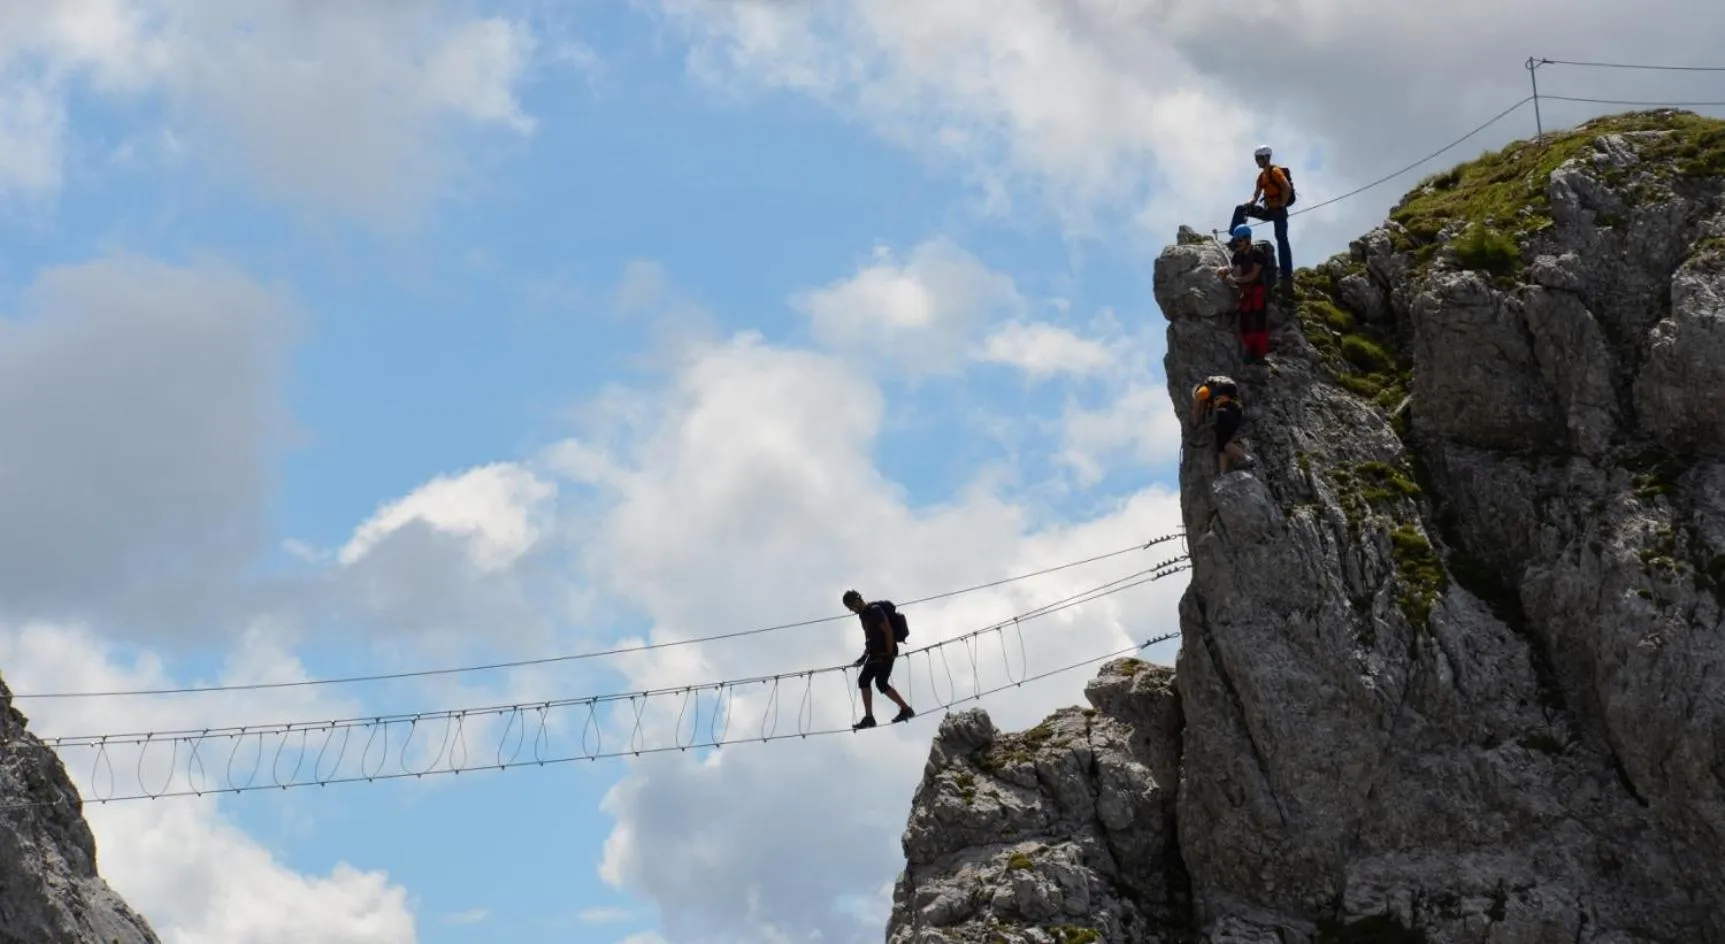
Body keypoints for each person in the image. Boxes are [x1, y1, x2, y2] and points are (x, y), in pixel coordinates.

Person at [842, 590, 915, 729]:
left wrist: (888, 652)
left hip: (887, 651)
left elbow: (888, 631)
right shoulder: (863, 616)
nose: (852, 610)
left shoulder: (875, 610)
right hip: (875, 653)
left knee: (881, 683)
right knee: (863, 680)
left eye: (851, 606)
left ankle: (906, 710)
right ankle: (869, 718)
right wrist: (864, 656)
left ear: (857, 601)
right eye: (850, 608)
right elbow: (869, 638)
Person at [1228, 145, 1293, 290]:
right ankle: (1235, 238)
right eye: (1256, 159)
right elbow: (1256, 195)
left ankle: (1286, 274)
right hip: (1269, 210)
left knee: (1282, 240)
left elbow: (1286, 188)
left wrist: (1282, 205)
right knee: (1241, 209)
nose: (1257, 161)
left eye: (1259, 158)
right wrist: (1250, 203)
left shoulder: (1275, 171)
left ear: (1266, 158)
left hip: (1278, 210)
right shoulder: (1261, 177)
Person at [1215, 224, 1272, 363]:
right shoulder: (1239, 254)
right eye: (1236, 240)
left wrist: (1235, 280)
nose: (1237, 243)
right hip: (1247, 291)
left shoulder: (1258, 254)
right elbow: (1232, 267)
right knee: (1245, 322)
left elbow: (1253, 275)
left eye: (1240, 240)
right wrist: (1224, 271)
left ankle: (1261, 354)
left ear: (1248, 239)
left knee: (1259, 323)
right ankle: (1251, 350)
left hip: (1258, 291)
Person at [1190, 376, 1250, 474]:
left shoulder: (1203, 390)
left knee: (1224, 443)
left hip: (1225, 411)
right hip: (1234, 411)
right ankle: (1223, 474)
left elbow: (1198, 411)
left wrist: (1197, 401)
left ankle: (1245, 459)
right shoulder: (1219, 394)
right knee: (1221, 446)